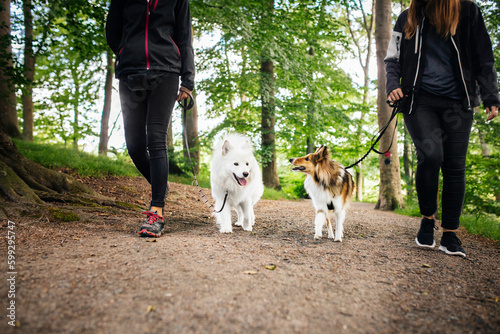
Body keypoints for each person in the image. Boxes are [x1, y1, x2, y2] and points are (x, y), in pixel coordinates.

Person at [385, 0, 499, 257]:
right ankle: (427, 219)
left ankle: (449, 234)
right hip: (419, 100)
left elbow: (484, 56)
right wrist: (393, 84)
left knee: (455, 166)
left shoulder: (467, 11)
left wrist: (491, 97)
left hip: (458, 103)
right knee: (430, 155)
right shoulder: (407, 17)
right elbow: (392, 58)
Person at [106, 0, 195, 237]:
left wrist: (188, 81)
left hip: (166, 72)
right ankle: (160, 185)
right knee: (134, 145)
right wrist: (128, 51)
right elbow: (112, 31)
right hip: (130, 73)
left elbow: (185, 38)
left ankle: (156, 211)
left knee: (156, 139)